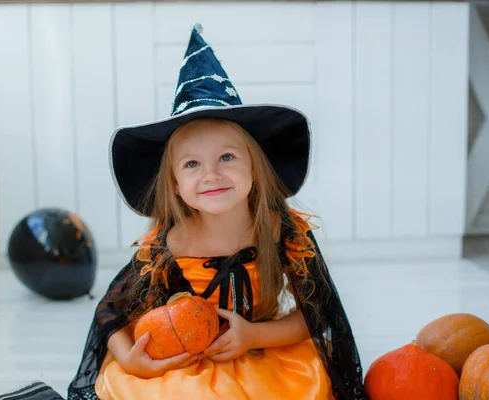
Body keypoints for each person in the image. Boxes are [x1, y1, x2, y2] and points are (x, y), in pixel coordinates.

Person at [66, 24, 367, 400]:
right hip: (189, 364)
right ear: (174, 183)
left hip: (261, 352)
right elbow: (112, 312)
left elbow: (319, 314)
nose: (212, 175)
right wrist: (130, 359)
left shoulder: (280, 230)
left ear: (255, 168)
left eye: (227, 157)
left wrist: (255, 334)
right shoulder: (172, 243)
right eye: (192, 164)